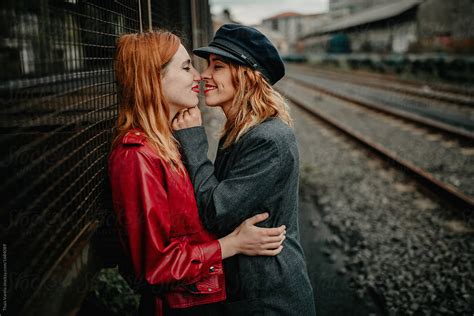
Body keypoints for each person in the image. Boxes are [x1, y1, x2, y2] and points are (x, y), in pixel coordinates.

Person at [108, 30, 287, 316]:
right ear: (153, 78)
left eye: (210, 66)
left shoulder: (167, 143)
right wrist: (229, 245)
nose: (198, 76)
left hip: (205, 299)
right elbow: (154, 267)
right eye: (186, 66)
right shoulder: (136, 155)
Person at [173, 24, 316, 315]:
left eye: (219, 66)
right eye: (208, 65)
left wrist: (193, 139)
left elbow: (215, 210)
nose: (204, 76)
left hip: (269, 298)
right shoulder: (242, 131)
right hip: (251, 289)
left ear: (247, 77)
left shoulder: (268, 139)